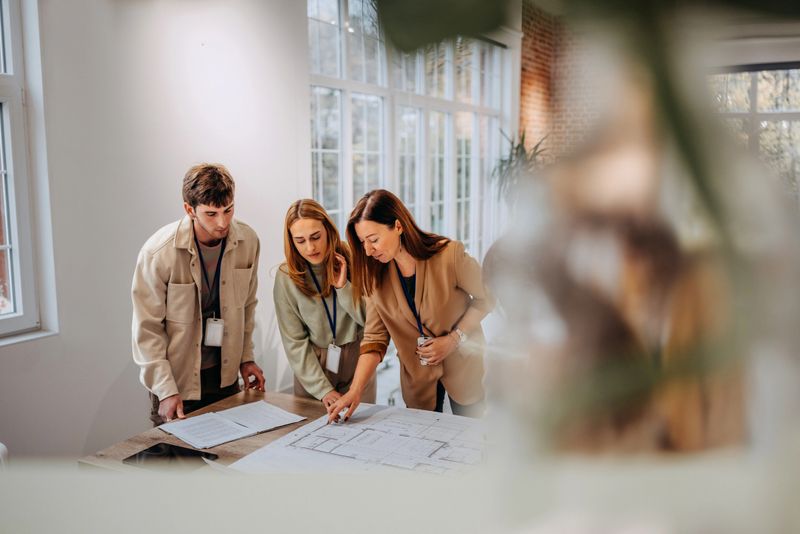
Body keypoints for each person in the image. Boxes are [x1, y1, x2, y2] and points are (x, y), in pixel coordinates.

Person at [326, 189, 495, 423]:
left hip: (465, 370)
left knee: (470, 439)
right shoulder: (375, 277)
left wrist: (454, 339)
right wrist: (354, 391)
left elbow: (488, 296)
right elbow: (374, 338)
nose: (368, 250)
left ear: (398, 226)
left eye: (373, 240)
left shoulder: (449, 255)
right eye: (363, 242)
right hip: (418, 380)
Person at [132, 163, 265, 425]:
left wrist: (246, 357)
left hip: (225, 376)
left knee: (230, 448)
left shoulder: (248, 241)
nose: (222, 222)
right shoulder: (158, 253)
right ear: (189, 209)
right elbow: (147, 330)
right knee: (176, 452)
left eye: (228, 210)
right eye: (211, 214)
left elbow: (248, 306)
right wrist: (165, 389)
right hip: (177, 383)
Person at [273, 199, 376, 410]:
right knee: (313, 428)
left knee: (362, 426)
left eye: (315, 237)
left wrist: (343, 288)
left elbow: (372, 321)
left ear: (328, 230)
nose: (310, 247)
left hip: (357, 359)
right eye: (300, 241)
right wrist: (322, 389)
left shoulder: (355, 257)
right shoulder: (286, 277)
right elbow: (294, 341)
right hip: (312, 367)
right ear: (291, 241)